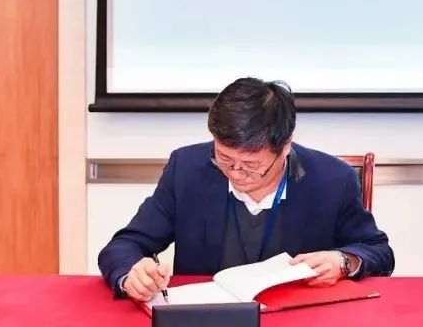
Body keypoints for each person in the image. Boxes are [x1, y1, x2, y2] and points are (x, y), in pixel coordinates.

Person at [98, 78, 394, 300]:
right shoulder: (186, 169)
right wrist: (132, 274)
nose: (236, 172)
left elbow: (378, 251)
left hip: (300, 321)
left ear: (285, 146)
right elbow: (124, 245)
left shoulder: (332, 179)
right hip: (210, 323)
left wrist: (343, 261)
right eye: (224, 158)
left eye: (251, 164)